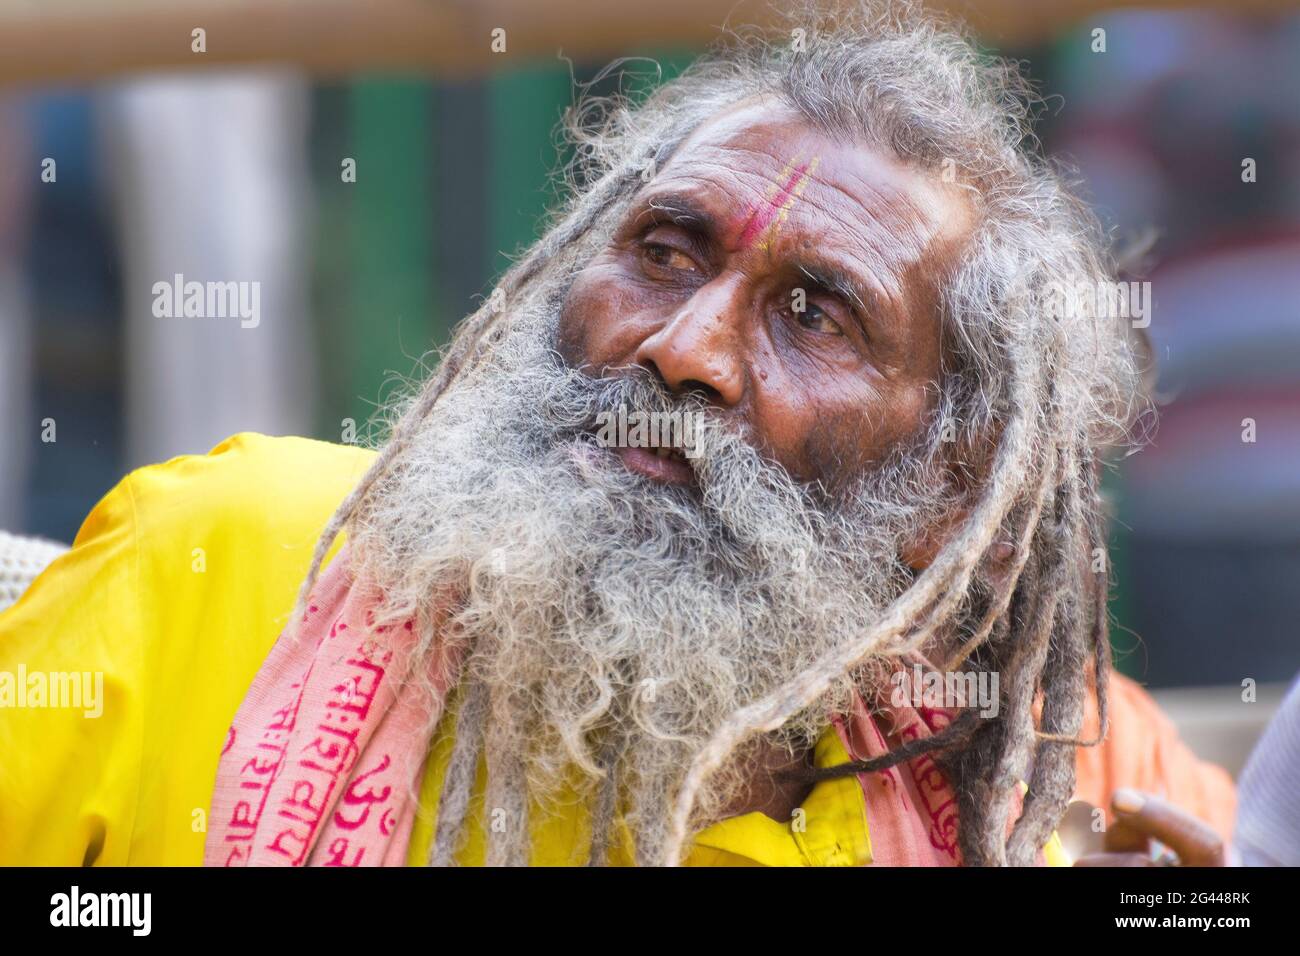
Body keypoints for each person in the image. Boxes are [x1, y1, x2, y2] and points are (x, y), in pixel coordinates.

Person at [0, 1, 1233, 867]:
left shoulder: (1028, 750)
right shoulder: (228, 558)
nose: (682, 348)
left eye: (815, 314)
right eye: (662, 251)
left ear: (949, 496)